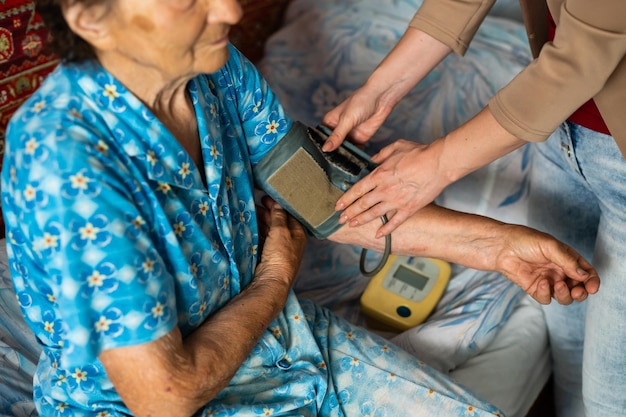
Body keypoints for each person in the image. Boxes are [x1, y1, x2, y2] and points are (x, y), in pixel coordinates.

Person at [0, 0, 599, 416]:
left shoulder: (214, 70)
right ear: (88, 19)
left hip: (286, 344)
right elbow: (165, 397)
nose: (230, 12)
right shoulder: (65, 162)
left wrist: (499, 246)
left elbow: (322, 198)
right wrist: (276, 276)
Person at [321, 0, 626, 416]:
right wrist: (379, 90)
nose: (230, 12)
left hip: (612, 148)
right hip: (562, 130)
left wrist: (437, 165)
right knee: (569, 336)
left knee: (609, 398)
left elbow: (580, 56)